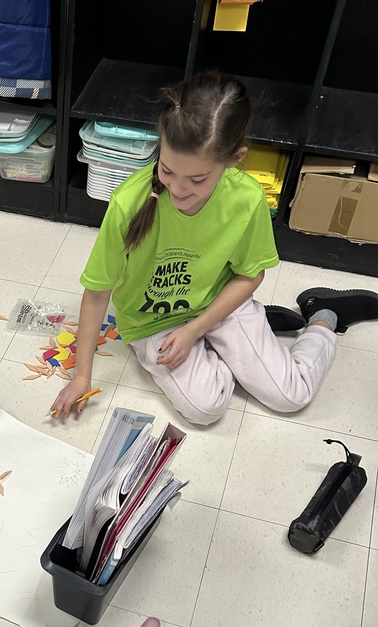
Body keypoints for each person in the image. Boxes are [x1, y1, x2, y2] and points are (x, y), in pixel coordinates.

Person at [51, 70, 378, 424]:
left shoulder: (246, 199)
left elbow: (249, 275)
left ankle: (323, 318)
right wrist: (81, 377)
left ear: (235, 159)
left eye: (197, 179)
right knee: (206, 409)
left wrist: (196, 329)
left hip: (219, 303)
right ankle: (254, 332)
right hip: (152, 322)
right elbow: (98, 293)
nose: (177, 189)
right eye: (166, 170)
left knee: (291, 395)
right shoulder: (129, 203)